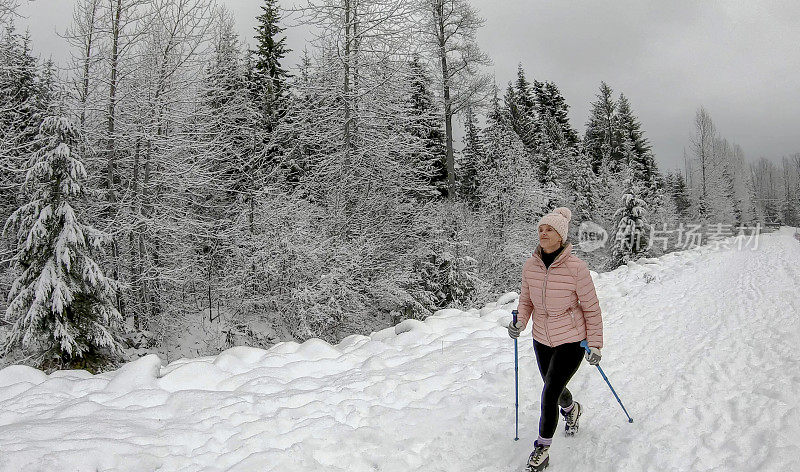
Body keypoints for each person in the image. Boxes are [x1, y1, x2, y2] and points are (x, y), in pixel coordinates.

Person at [507, 207, 603, 472]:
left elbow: (591, 308)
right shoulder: (531, 266)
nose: (543, 233)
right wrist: (520, 322)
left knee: (548, 393)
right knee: (555, 389)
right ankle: (571, 410)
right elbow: (526, 301)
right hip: (542, 338)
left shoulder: (576, 268)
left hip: (572, 340)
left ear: (560, 235)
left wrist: (594, 344)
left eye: (549, 229)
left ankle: (542, 449)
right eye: (540, 229)